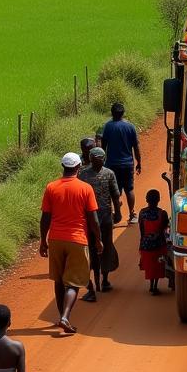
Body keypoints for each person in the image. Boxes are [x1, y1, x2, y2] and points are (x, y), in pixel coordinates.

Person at [39, 153, 102, 335]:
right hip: (77, 239)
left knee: (58, 281)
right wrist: (98, 240)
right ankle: (65, 317)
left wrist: (43, 241)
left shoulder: (51, 187)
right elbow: (93, 219)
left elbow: (45, 217)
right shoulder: (85, 188)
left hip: (56, 239)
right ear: (79, 167)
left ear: (63, 167)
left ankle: (61, 316)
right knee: (73, 282)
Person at [79, 146, 121, 297]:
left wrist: (118, 212)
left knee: (102, 247)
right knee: (97, 248)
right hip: (94, 218)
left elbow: (115, 195)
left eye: (100, 160)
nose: (98, 162)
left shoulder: (104, 174)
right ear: (91, 159)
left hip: (101, 218)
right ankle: (99, 280)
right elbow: (115, 195)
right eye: (96, 160)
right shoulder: (84, 175)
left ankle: (103, 280)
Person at [98, 102, 142, 224]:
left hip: (111, 164)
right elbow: (136, 147)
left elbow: (103, 146)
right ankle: (132, 214)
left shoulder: (108, 127)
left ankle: (116, 212)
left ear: (112, 113)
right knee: (129, 189)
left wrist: (102, 162)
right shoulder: (130, 127)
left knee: (113, 190)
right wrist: (139, 162)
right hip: (127, 164)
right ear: (123, 113)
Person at [138, 189, 170, 295]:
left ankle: (151, 286)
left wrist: (141, 243)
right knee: (158, 266)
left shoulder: (142, 213)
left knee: (150, 266)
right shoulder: (162, 213)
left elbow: (142, 231)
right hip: (159, 245)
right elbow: (165, 228)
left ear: (146, 199)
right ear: (159, 200)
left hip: (146, 245)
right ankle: (155, 286)